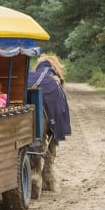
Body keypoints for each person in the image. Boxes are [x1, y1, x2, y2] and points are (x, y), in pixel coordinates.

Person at [27, 55, 71, 193]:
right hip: (48, 110)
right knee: (51, 137)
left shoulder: (30, 77)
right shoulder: (54, 81)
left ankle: (34, 173)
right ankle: (48, 178)